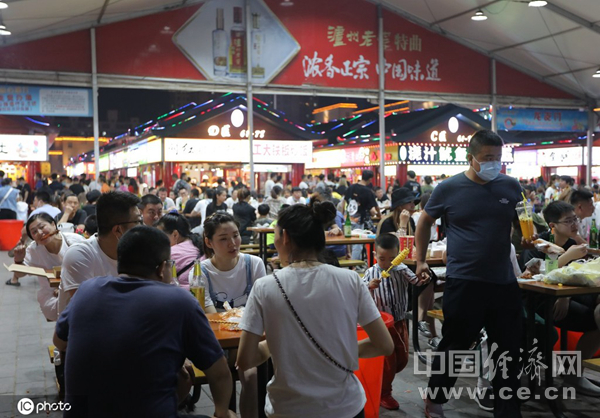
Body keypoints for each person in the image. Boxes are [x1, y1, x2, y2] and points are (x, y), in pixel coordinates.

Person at [53, 226, 236, 418]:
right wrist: (222, 412)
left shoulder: (87, 290)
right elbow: (219, 373)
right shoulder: (179, 301)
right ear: (161, 268)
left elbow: (59, 341)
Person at [236, 201, 394, 418]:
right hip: (346, 407)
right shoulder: (350, 279)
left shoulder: (265, 287)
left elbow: (245, 359)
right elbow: (385, 345)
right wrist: (341, 349)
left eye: (276, 235)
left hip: (288, 409)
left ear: (286, 237)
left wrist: (276, 344)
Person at [414, 130, 525, 418]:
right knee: (456, 344)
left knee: (508, 350)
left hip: (504, 282)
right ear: (471, 158)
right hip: (465, 281)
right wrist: (420, 260)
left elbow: (521, 222)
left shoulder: (511, 186)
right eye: (487, 158)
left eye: (498, 158)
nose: (493, 163)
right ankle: (435, 399)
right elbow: (424, 222)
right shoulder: (448, 188)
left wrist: (528, 237)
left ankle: (508, 410)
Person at [521, 201, 600, 395]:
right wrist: (567, 256)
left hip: (566, 296)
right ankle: (573, 376)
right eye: (568, 221)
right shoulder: (537, 243)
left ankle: (575, 375)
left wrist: (567, 295)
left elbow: (578, 275)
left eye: (575, 219)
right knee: (593, 323)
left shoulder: (573, 244)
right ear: (552, 225)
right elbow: (533, 278)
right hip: (540, 300)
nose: (574, 224)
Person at [192, 212, 266, 418]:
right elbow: (211, 315)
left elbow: (262, 306)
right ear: (209, 242)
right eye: (224, 239)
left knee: (250, 376)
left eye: (235, 235)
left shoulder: (254, 264)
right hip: (218, 341)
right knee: (226, 370)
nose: (233, 243)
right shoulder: (200, 271)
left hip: (249, 337)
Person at [363, 234, 425, 410]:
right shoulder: (371, 273)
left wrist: (424, 277)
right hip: (381, 324)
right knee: (388, 361)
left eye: (392, 259)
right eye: (382, 259)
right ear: (375, 255)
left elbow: (417, 281)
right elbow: (360, 290)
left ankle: (382, 381)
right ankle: (384, 392)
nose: (387, 263)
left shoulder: (402, 270)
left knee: (402, 358)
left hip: (399, 319)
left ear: (398, 255)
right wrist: (369, 286)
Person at [58, 191, 142, 314]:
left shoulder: (136, 253)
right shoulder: (80, 255)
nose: (142, 227)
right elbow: (88, 310)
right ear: (118, 230)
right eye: (138, 221)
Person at [8, 213, 86, 317]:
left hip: (80, 288)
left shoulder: (75, 241)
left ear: (53, 224)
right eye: (34, 232)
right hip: (52, 297)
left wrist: (64, 288)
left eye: (42, 227)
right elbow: (19, 274)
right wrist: (18, 260)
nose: (40, 233)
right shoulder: (34, 249)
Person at [156, 213, 203, 287]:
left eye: (161, 236)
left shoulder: (171, 253)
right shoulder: (199, 245)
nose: (158, 241)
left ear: (175, 234)